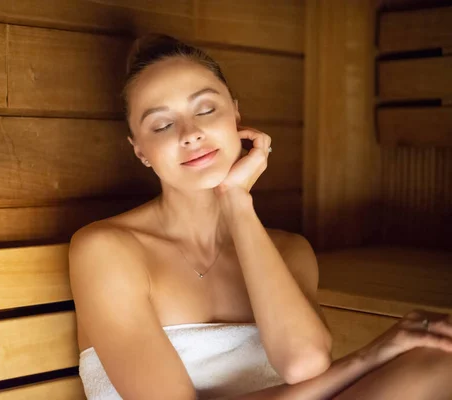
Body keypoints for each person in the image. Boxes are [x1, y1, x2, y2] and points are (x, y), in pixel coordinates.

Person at [68, 34, 452, 399]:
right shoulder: (106, 250)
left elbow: (304, 363)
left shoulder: (288, 250)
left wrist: (237, 203)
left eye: (206, 109)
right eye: (163, 125)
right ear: (141, 151)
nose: (191, 133)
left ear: (235, 112)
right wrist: (371, 356)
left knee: (442, 360)